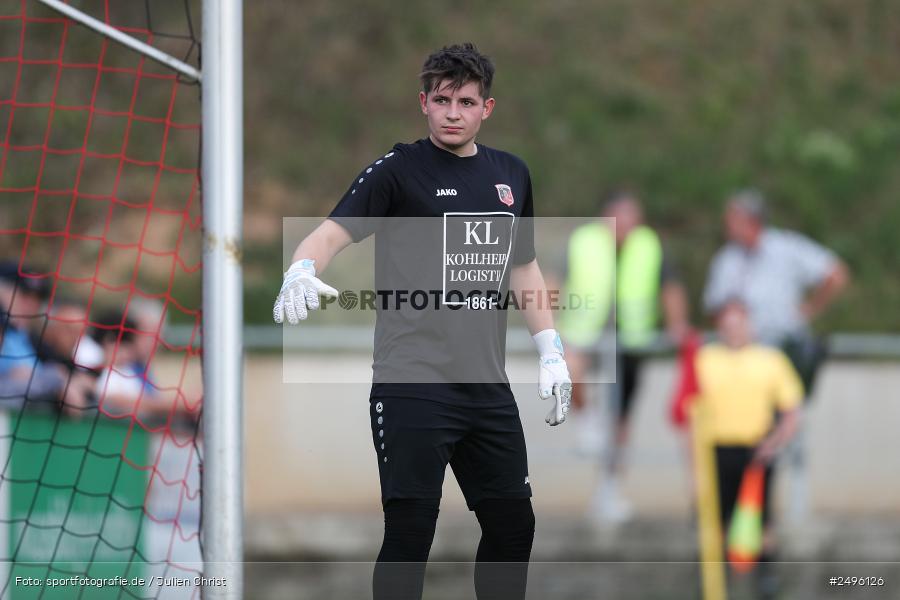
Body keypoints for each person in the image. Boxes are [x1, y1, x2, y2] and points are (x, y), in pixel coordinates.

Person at [272, 43, 572, 600]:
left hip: (486, 387)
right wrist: (301, 268)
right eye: (441, 100)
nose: (452, 112)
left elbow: (523, 268)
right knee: (411, 533)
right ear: (423, 104)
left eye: (465, 101)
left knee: (514, 526)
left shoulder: (512, 175)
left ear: (487, 108)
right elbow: (329, 233)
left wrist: (551, 348)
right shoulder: (399, 170)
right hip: (412, 384)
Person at [703, 189, 849, 520]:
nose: (727, 226)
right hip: (743, 363)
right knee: (747, 439)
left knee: (780, 427)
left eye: (733, 219)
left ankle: (764, 516)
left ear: (750, 221)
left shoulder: (786, 248)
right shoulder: (728, 259)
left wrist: (810, 309)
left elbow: (835, 273)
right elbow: (715, 306)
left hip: (778, 357)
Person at [558, 191, 689, 523]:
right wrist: (548, 321)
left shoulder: (649, 244)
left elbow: (670, 286)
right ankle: (586, 420)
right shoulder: (583, 240)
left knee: (621, 420)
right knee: (568, 367)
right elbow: (554, 281)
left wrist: (677, 325)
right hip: (586, 330)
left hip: (631, 337)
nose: (626, 226)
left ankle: (610, 488)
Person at [694, 300, 801, 599]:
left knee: (760, 521)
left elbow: (792, 410)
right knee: (717, 520)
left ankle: (765, 582)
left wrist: (776, 441)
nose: (733, 331)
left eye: (738, 324)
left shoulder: (770, 359)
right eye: (727, 325)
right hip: (716, 450)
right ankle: (716, 583)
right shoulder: (705, 358)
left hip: (755, 451)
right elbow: (688, 407)